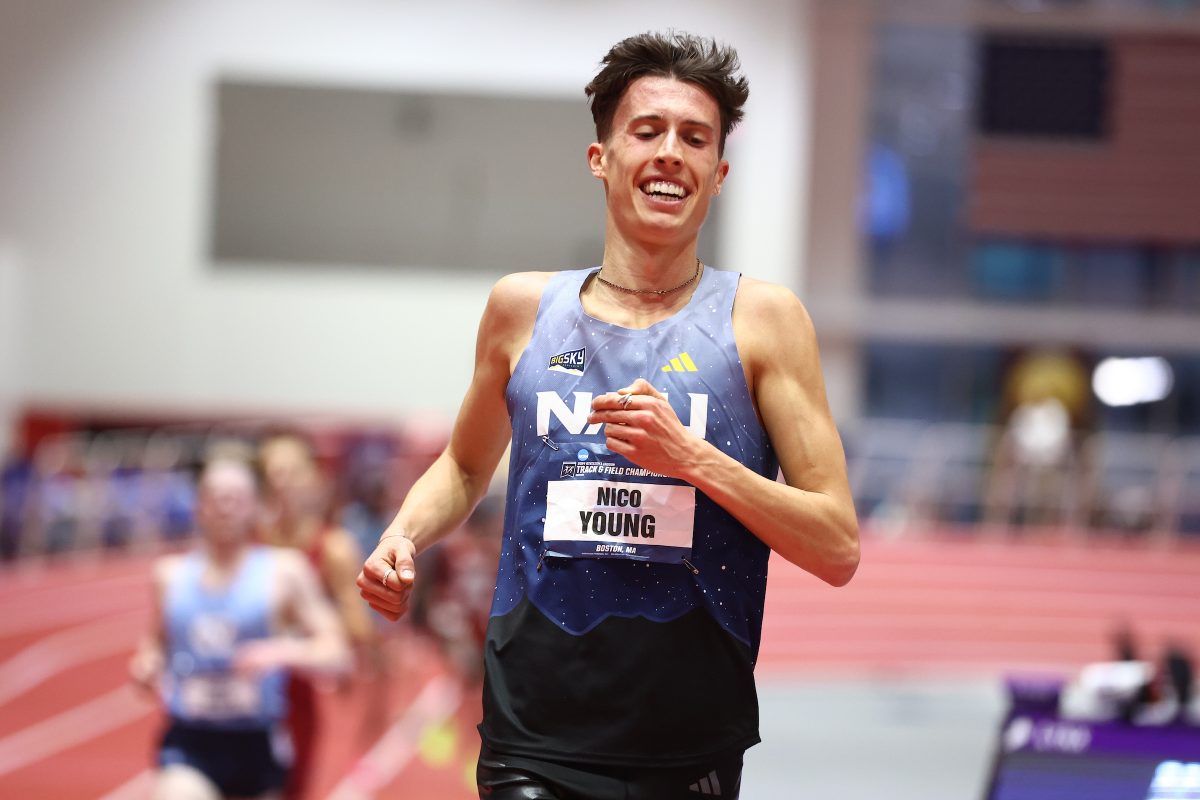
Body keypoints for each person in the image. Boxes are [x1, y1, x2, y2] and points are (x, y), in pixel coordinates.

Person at [357, 30, 860, 800]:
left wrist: (692, 459)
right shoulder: (522, 310)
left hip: (689, 745)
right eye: (647, 131)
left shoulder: (764, 322)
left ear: (718, 174)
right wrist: (402, 536)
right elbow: (464, 466)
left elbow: (835, 545)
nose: (670, 153)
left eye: (695, 138)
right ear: (602, 159)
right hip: (533, 728)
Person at [130, 452, 350, 800]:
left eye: (236, 499)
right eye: (216, 498)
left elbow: (337, 652)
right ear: (199, 507)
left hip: (257, 742)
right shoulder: (170, 576)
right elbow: (155, 642)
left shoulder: (284, 572)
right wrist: (147, 663)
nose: (225, 507)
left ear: (256, 508)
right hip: (191, 739)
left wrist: (281, 652)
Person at [256, 429, 387, 796]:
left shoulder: (332, 549)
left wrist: (372, 704)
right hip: (244, 696)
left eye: (290, 472)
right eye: (271, 473)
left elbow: (360, 631)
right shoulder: (248, 543)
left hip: (302, 694)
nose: (280, 483)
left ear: (313, 480)